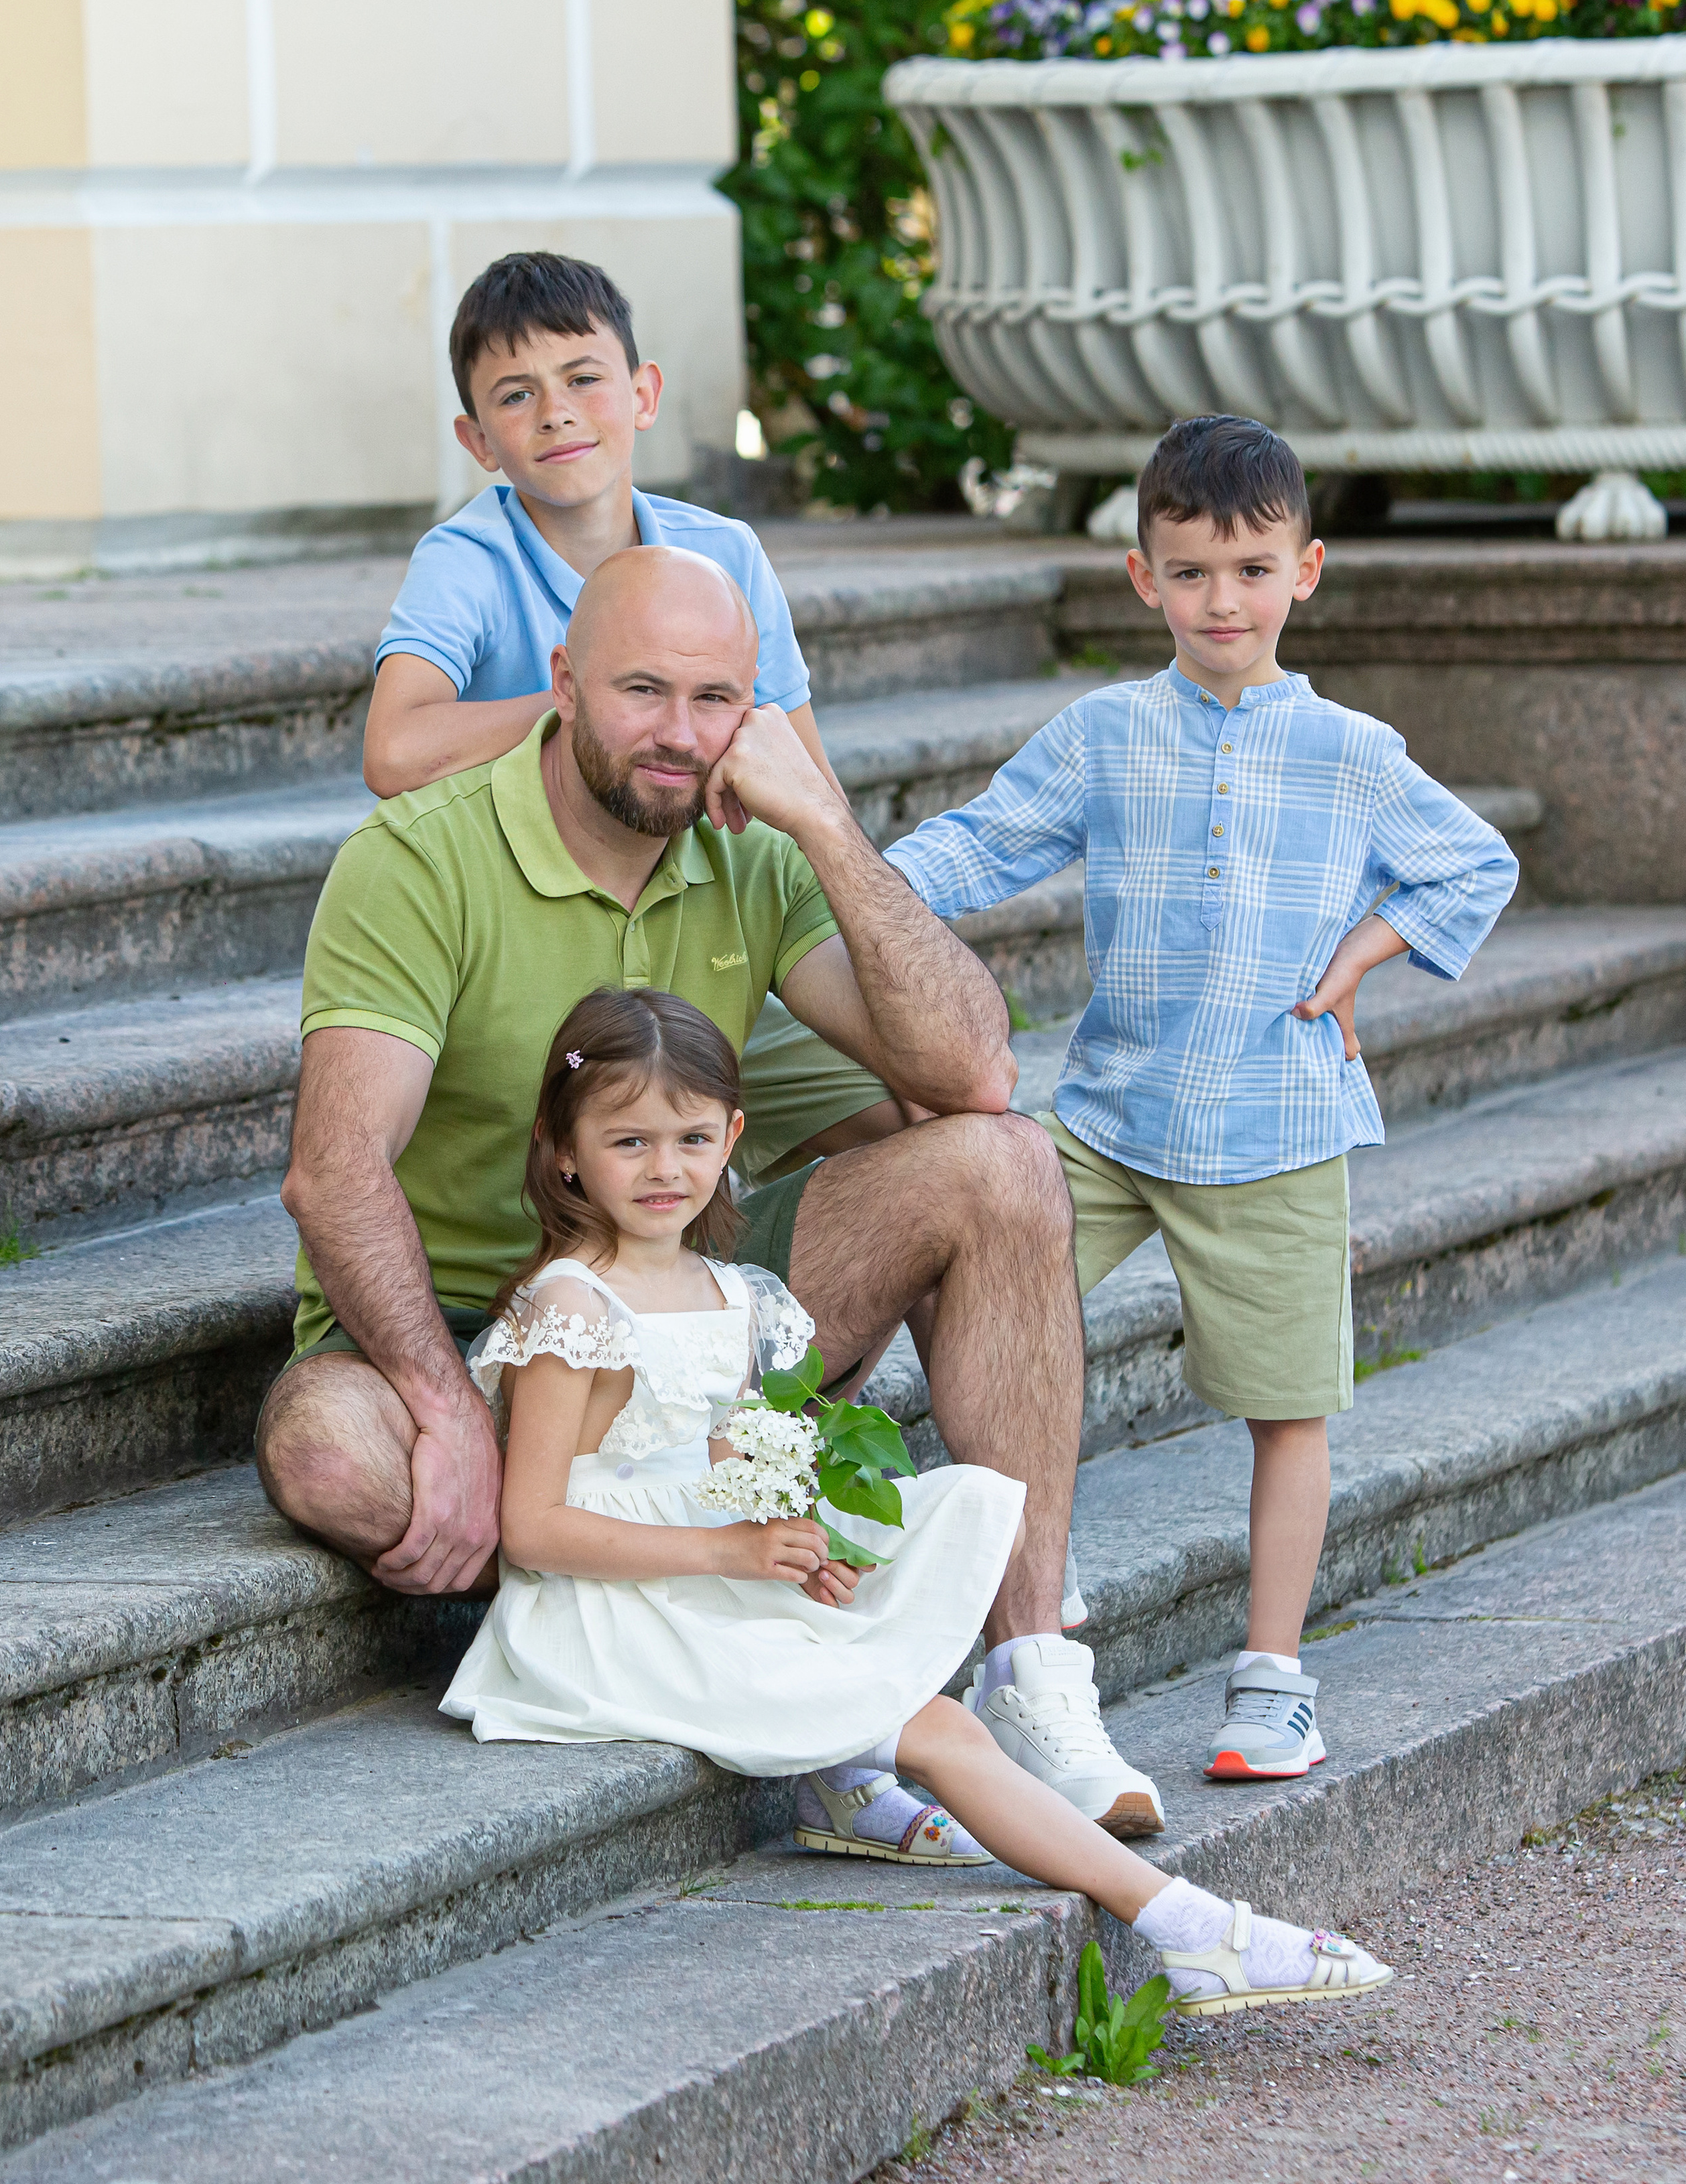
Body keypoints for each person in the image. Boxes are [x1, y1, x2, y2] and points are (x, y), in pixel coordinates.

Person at [258, 541, 1164, 1835]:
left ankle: (1032, 1674)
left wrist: (828, 824)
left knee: (1005, 1163)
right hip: (456, 1325)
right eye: (643, 691)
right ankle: (680, 1578)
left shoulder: (752, 848)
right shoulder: (418, 859)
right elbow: (332, 1168)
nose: (681, 735)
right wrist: (447, 1405)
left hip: (677, 1310)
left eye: (717, 699)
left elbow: (972, 1066)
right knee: (326, 1453)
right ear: (563, 682)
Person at [442, 983, 1395, 2017]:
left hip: (695, 1577)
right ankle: (1191, 1928)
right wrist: (732, 1555)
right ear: (565, 1149)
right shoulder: (572, 1306)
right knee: (942, 1728)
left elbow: (716, 1473)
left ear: (733, 1137)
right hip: (601, 1618)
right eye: (628, 1141)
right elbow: (531, 1528)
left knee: (927, 1550)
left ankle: (1134, 1898)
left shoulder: (731, 1291)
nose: (664, 1168)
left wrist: (790, 1542)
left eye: (690, 1137)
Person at [887, 415, 1519, 1786]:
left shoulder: (1351, 750)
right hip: (1109, 1117)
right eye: (1188, 573)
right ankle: (1016, 1616)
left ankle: (1271, 1676)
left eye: (1247, 569)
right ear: (1140, 579)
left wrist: (1359, 956)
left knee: (1286, 1405)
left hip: (1277, 1126)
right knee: (976, 1315)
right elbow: (976, 844)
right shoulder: (1104, 734)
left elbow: (1469, 867)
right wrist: (837, 872)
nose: (1218, 601)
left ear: (1304, 571)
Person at [361, 247, 891, 1190]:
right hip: (548, 942)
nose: (556, 410)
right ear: (478, 439)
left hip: (706, 921)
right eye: (515, 395)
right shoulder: (468, 560)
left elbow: (811, 784)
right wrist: (601, 703)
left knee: (921, 1109)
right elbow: (395, 747)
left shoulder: (722, 552)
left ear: (642, 393)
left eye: (583, 379)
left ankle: (809, 1341)